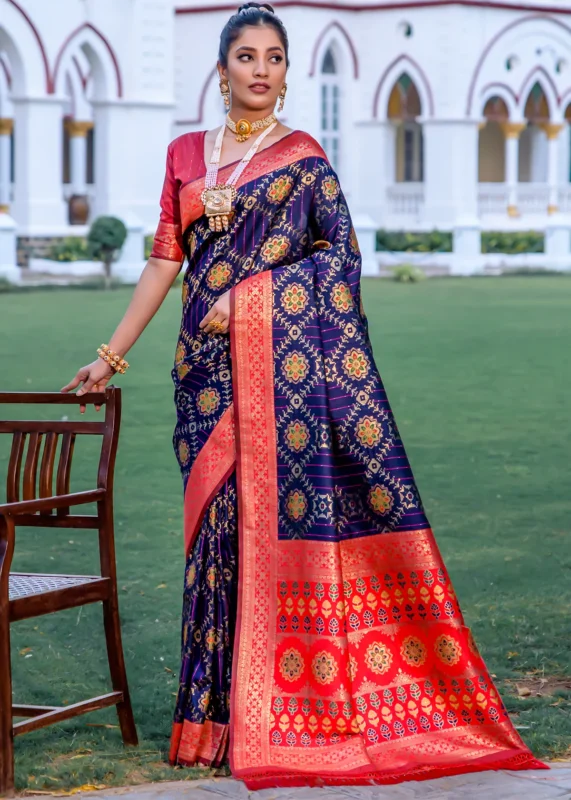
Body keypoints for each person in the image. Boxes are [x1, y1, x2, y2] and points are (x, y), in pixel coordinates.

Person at [62, 2, 547, 789]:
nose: (261, 69)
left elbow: (341, 261)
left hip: (277, 374)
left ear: (286, 72)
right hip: (202, 378)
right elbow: (162, 260)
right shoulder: (184, 153)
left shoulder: (304, 156)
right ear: (221, 69)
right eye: (246, 56)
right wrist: (110, 355)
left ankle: (287, 710)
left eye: (275, 57)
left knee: (260, 529)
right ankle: (209, 723)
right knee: (212, 541)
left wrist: (248, 301)